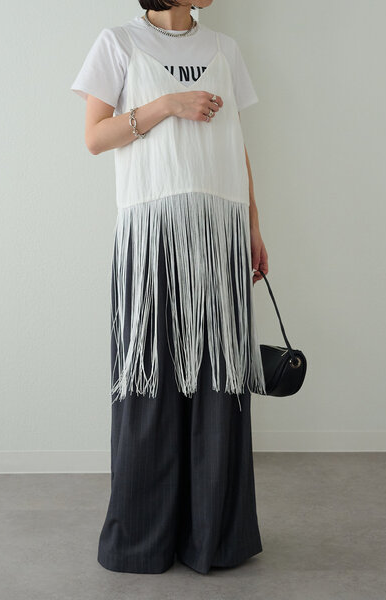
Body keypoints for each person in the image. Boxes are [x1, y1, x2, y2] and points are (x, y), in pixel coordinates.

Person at [70, 0, 269, 575]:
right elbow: (95, 137)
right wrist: (168, 105)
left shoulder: (225, 49)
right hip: (152, 233)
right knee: (149, 384)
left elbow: (235, 141)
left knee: (219, 386)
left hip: (219, 233)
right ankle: (141, 540)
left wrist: (253, 224)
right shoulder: (118, 43)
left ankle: (215, 537)